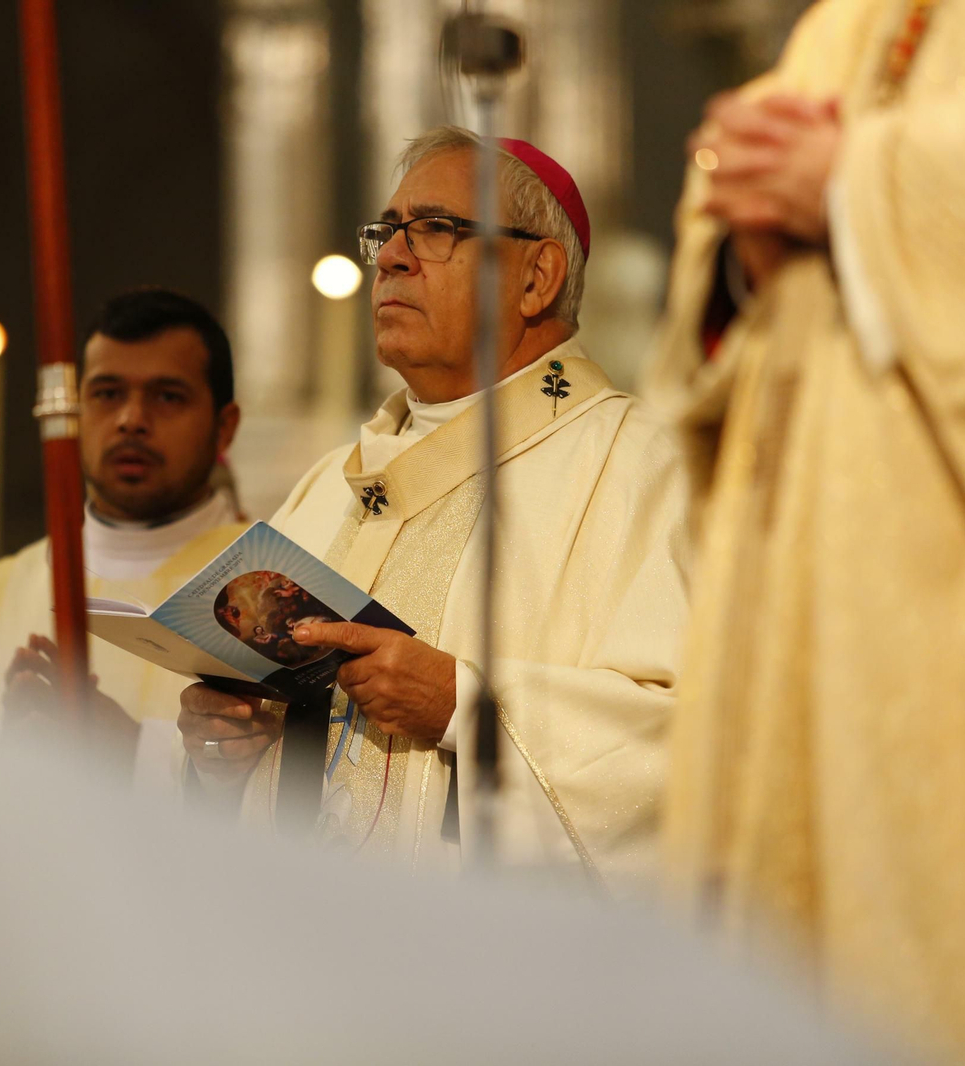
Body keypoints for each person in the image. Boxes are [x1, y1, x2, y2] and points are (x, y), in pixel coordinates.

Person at [648, 2, 965, 1062]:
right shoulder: (842, 19)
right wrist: (740, 246)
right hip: (799, 595)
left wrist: (856, 180)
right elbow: (735, 273)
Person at [176, 127, 690, 893]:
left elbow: (705, 747)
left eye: (437, 229)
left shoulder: (644, 469)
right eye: (386, 232)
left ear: (536, 277)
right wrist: (222, 754)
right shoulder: (330, 486)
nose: (389, 256)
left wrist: (467, 709)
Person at [0, 288, 248, 796]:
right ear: (75, 412)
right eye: (106, 393)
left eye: (167, 396)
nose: (131, 419)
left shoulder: (266, 586)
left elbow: (314, 789)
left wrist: (133, 750)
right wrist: (0, 748)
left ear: (224, 428)